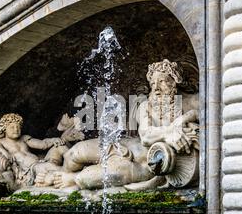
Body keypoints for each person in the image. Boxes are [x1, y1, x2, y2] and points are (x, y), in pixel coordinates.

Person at [51, 59, 199, 191]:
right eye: (153, 83)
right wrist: (170, 131)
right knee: (74, 152)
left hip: (144, 165)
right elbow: (146, 136)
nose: (156, 88)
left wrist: (186, 117)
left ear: (174, 81)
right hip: (126, 146)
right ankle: (53, 171)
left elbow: (209, 119)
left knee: (86, 178)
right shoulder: (146, 106)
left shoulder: (192, 101)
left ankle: (71, 180)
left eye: (161, 81)